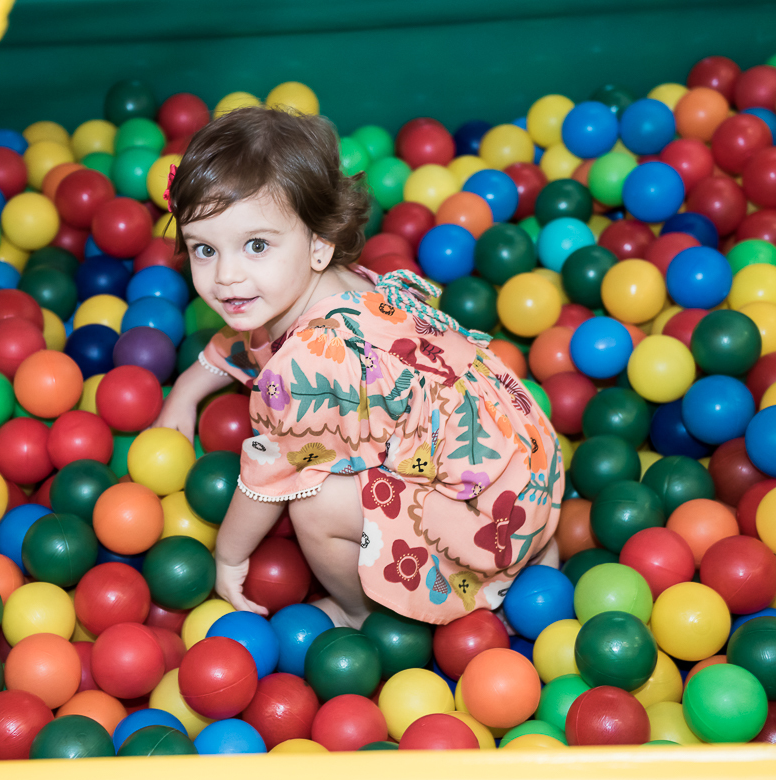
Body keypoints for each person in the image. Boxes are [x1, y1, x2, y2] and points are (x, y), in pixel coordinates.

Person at [153, 106, 563, 628]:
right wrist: (188, 391)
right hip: (529, 467)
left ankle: (359, 613)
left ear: (318, 244)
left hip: (484, 520)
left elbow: (268, 481)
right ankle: (536, 553)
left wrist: (229, 554)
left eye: (257, 245)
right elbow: (249, 337)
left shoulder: (307, 366)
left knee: (313, 502)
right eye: (204, 249)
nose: (227, 275)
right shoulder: (350, 283)